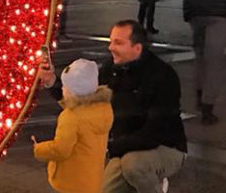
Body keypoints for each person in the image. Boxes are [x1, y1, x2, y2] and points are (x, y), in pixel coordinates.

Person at [38, 21, 187, 193]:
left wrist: (112, 148)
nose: (110, 47)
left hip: (165, 147)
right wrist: (52, 82)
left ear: (137, 48)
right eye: (111, 41)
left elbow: (156, 130)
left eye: (118, 42)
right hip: (124, 149)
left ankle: (154, 185)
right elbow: (83, 101)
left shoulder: (162, 76)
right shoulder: (111, 69)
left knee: (133, 166)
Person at [33, 59, 113, 193]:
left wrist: (39, 149)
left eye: (65, 86)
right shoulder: (103, 107)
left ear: (73, 92)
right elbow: (80, 110)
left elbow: (61, 150)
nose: (63, 88)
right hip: (93, 181)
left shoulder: (70, 117)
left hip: (71, 182)